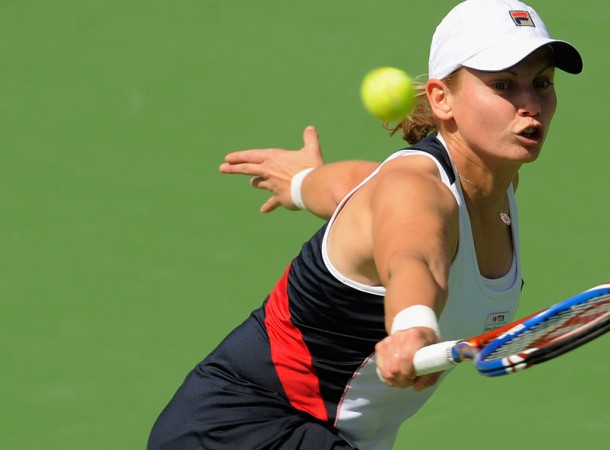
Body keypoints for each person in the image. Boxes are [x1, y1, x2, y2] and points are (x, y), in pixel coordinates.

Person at [148, 0, 583, 448]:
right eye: (503, 85)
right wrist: (412, 325)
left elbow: (355, 184)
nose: (530, 104)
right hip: (245, 429)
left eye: (542, 83)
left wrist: (302, 182)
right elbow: (413, 259)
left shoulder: (485, 188)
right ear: (442, 98)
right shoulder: (417, 191)